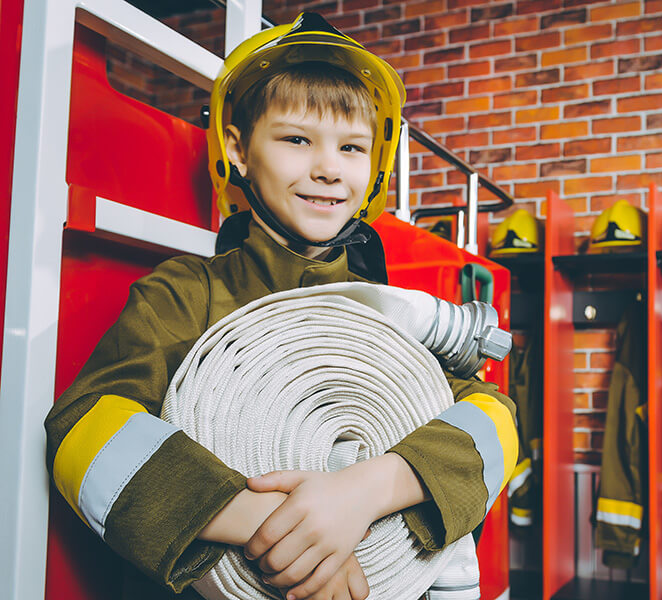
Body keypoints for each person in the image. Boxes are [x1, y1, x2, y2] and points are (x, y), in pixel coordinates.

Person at [45, 12, 518, 600]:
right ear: (239, 150)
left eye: (351, 147)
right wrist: (285, 531)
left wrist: (364, 493)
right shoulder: (186, 294)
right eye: (297, 139)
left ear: (373, 170)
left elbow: (494, 420)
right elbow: (83, 429)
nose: (327, 168)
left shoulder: (392, 316)